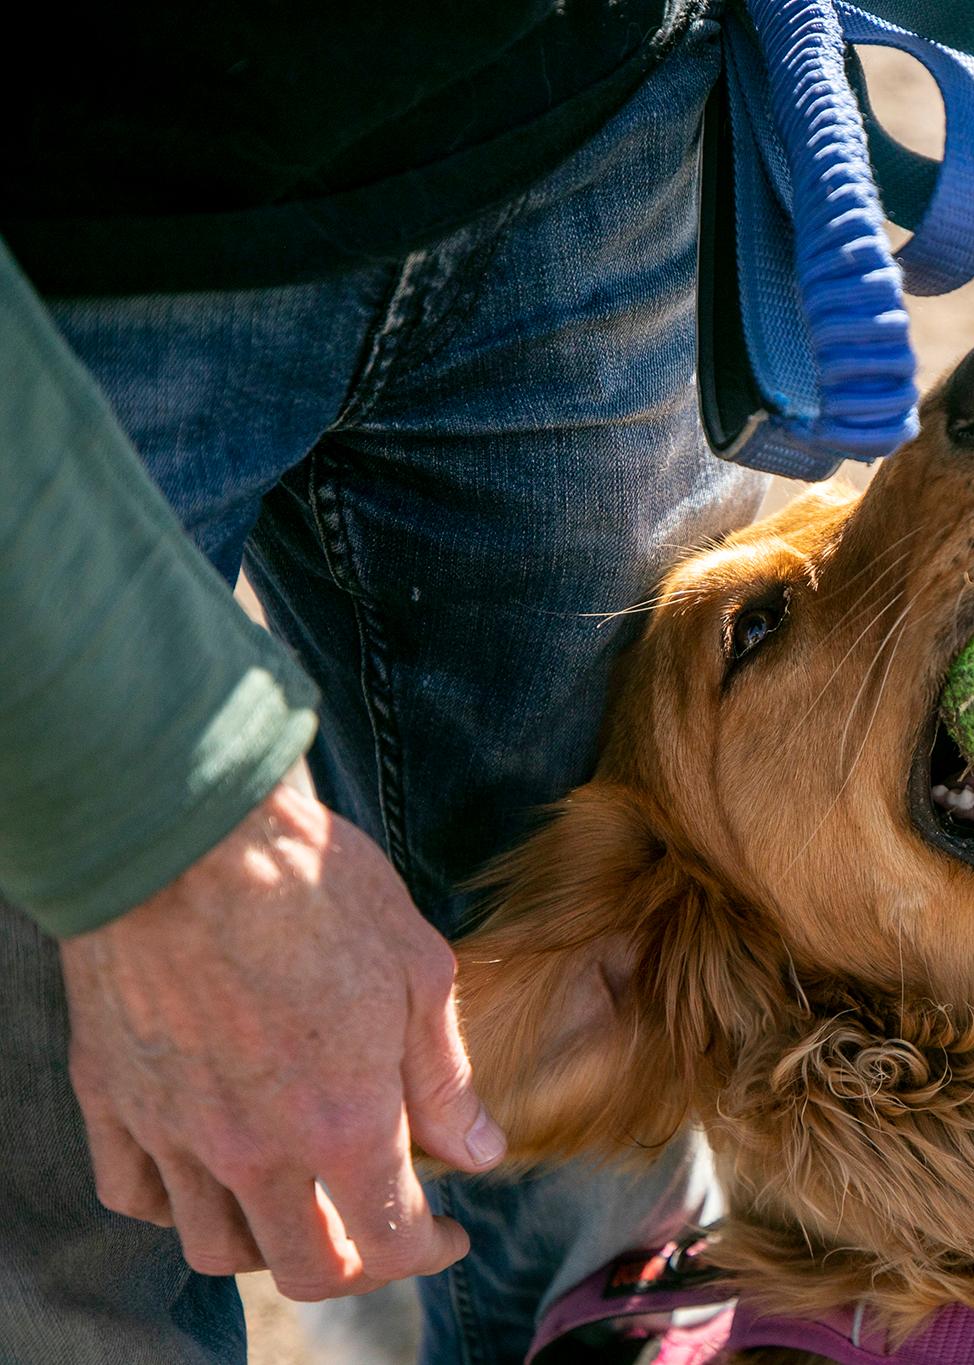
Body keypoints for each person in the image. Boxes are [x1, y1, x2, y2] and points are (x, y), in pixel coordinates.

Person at [0, 3, 758, 1360]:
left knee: (626, 1157)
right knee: (59, 1263)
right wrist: (163, 822)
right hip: (54, 248)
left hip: (594, 120)